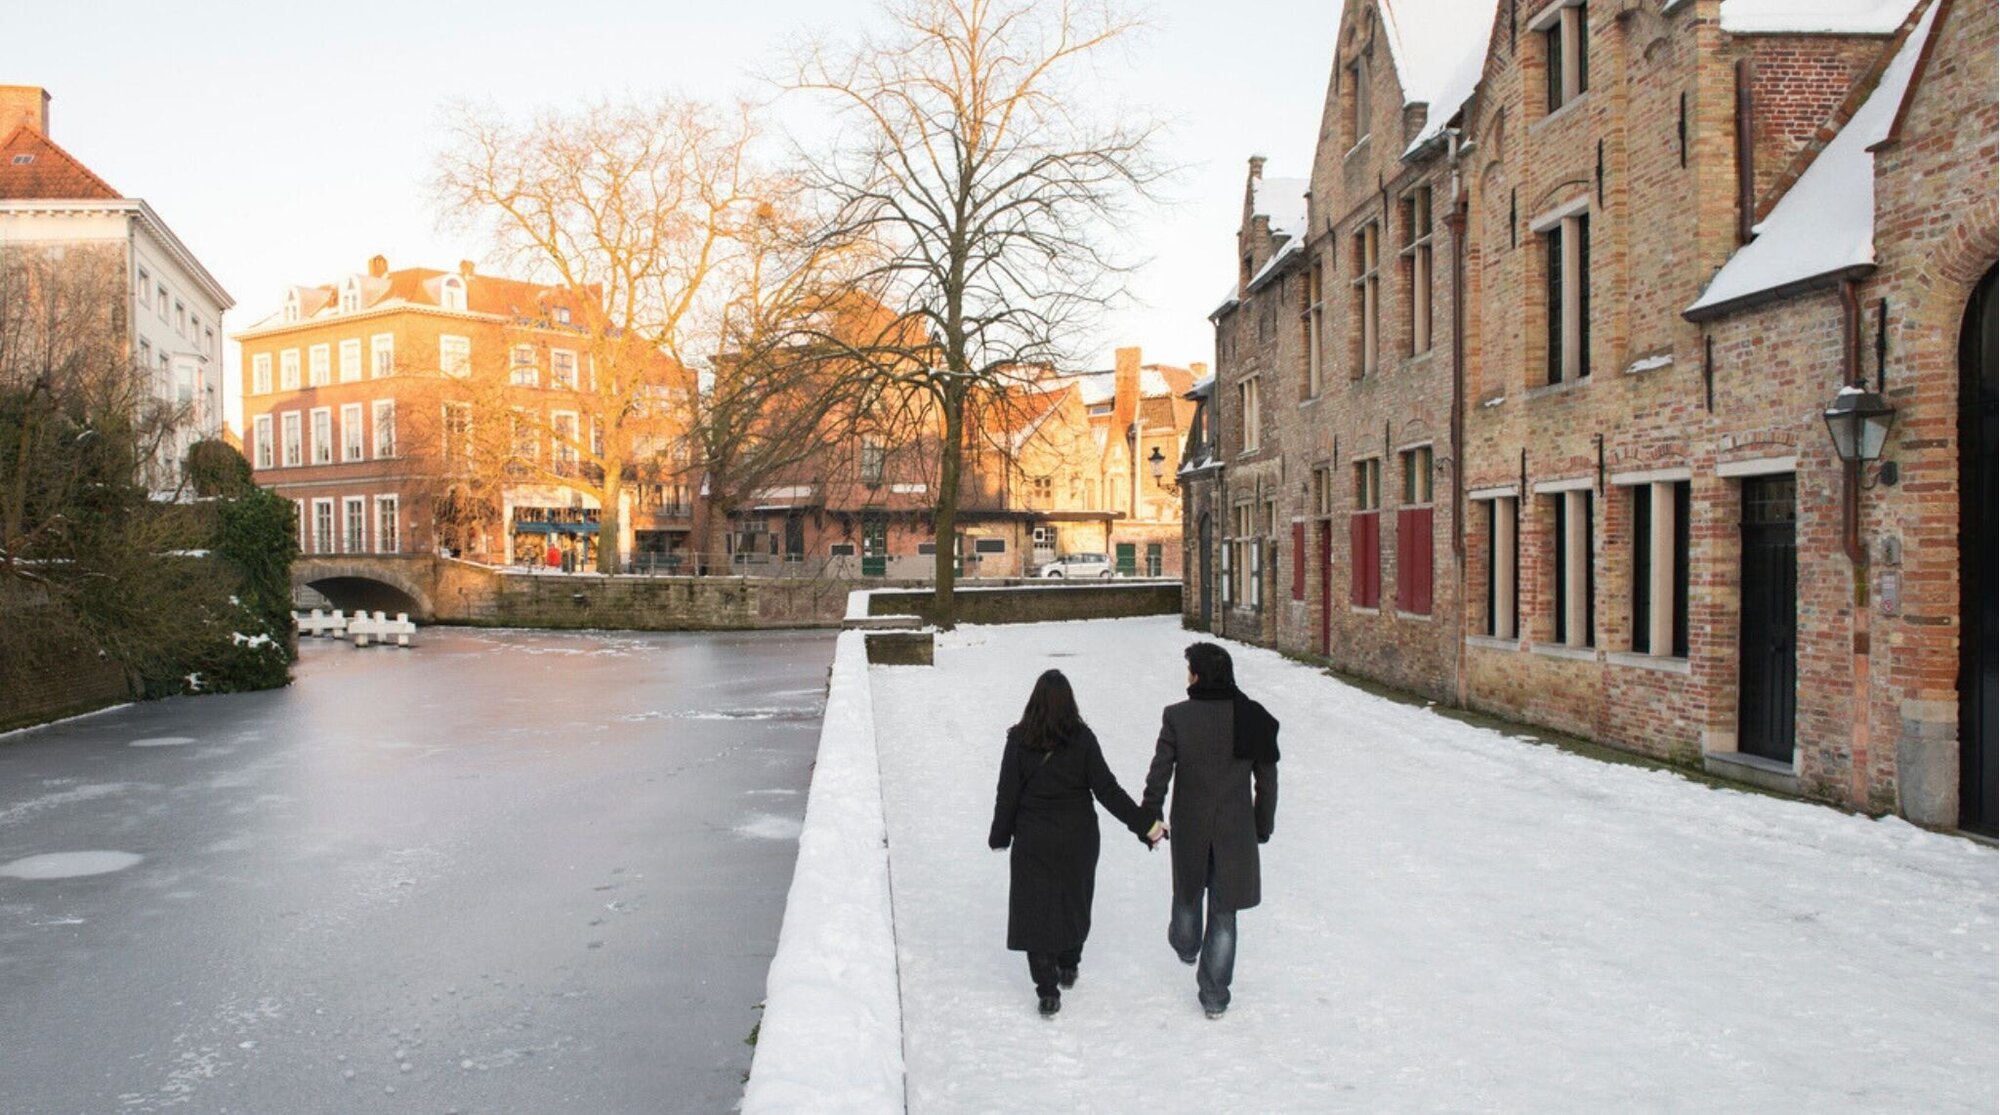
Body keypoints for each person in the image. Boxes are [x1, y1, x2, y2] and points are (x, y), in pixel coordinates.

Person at [989, 669, 1160, 1018]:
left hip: (1034, 840)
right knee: (1073, 899)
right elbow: (1108, 790)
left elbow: (1007, 794)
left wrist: (1000, 835)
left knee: (1035, 911)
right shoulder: (1082, 739)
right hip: (1078, 837)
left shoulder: (1019, 740)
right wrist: (1146, 825)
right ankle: (1069, 962)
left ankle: (1047, 990)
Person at [1141, 642, 1279, 1019]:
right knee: (1224, 914)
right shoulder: (1254, 717)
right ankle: (1215, 996)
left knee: (1187, 893)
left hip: (1191, 825)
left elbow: (1160, 772)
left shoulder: (1178, 717)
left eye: (1190, 670)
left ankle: (1186, 947)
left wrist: (1150, 816)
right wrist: (1261, 826)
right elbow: (1266, 782)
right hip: (1237, 831)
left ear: (1198, 676)